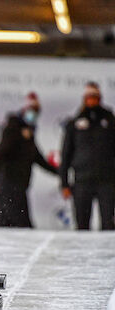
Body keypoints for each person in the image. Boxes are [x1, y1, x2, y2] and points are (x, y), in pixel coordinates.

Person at [0, 92, 57, 227]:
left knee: (8, 224)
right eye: (31, 110)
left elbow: (38, 158)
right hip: (8, 184)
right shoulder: (13, 128)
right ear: (25, 110)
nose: (34, 114)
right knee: (20, 224)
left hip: (19, 186)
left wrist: (60, 172)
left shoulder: (29, 134)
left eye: (37, 111)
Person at [59, 82, 115, 230]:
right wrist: (64, 183)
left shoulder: (110, 120)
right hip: (82, 181)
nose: (92, 100)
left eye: (95, 97)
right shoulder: (75, 122)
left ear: (100, 98)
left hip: (107, 181)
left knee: (109, 224)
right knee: (82, 225)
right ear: (84, 99)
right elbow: (66, 154)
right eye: (89, 97)